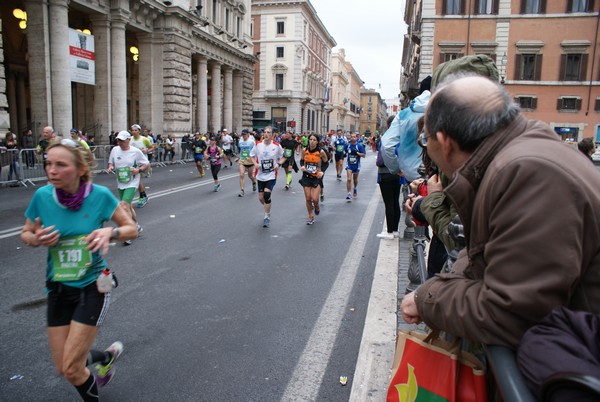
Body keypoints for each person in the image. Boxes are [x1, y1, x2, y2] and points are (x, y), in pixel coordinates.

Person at [400, 74, 600, 350]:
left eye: (426, 139)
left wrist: (430, 299)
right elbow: (483, 252)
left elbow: (513, 312)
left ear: (445, 142)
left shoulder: (528, 174)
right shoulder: (521, 153)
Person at [20, 137, 137, 401]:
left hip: (95, 285)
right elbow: (26, 233)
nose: (51, 170)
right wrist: (36, 239)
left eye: (61, 165)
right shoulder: (42, 196)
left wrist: (110, 231)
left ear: (81, 168)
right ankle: (106, 357)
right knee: (65, 367)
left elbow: (131, 229)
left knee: (73, 369)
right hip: (58, 288)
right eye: (48, 164)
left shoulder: (99, 196)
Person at [107, 131, 149, 245]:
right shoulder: (115, 150)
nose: (119, 142)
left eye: (121, 140)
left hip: (132, 181)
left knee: (124, 205)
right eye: (118, 140)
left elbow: (146, 164)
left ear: (128, 140)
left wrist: (138, 170)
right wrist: (110, 167)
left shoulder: (135, 151)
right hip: (121, 181)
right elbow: (111, 163)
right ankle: (136, 226)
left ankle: (128, 233)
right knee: (128, 207)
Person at [249, 126, 284, 228]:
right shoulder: (258, 145)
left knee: (267, 195)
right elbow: (251, 156)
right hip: (260, 175)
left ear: (272, 135)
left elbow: (284, 157)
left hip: (271, 175)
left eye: (269, 132)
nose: (266, 134)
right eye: (265, 132)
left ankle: (266, 216)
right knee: (261, 198)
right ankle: (267, 207)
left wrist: (279, 164)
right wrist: (255, 164)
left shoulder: (277, 146)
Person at [376, 116, 401, 239]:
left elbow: (380, 160)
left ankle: (390, 231)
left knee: (389, 203)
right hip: (397, 173)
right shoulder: (400, 138)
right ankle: (395, 230)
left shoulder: (386, 138)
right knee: (395, 201)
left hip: (385, 173)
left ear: (387, 125)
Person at [299, 134, 328, 225]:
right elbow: (301, 160)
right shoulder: (305, 150)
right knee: (308, 198)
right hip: (306, 176)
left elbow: (326, 163)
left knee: (315, 199)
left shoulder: (321, 152)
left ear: (317, 141)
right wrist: (302, 166)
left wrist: (322, 172)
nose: (312, 141)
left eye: (314, 140)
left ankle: (316, 206)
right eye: (310, 139)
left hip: (316, 177)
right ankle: (310, 216)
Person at [129, 124, 153, 207]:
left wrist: (147, 150)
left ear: (139, 131)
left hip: (142, 163)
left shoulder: (144, 139)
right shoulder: (129, 139)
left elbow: (153, 147)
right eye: (132, 130)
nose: (134, 132)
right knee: (137, 181)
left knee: (137, 180)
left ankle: (142, 197)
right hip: (132, 163)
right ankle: (144, 196)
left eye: (136, 130)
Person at [344, 132, 366, 201]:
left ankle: (355, 188)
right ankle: (349, 194)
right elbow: (344, 152)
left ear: (356, 138)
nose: (352, 138)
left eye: (354, 137)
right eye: (351, 137)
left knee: (355, 179)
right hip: (349, 164)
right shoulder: (347, 145)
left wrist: (357, 153)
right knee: (349, 179)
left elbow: (364, 155)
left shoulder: (359, 146)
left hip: (356, 165)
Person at [236, 129, 257, 197]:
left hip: (250, 161)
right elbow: (241, 151)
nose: (243, 136)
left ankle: (254, 182)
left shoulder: (252, 142)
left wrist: (251, 157)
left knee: (250, 176)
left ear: (248, 134)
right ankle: (242, 190)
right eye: (242, 135)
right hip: (242, 160)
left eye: (244, 134)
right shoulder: (240, 141)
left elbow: (255, 151)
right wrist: (238, 157)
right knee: (241, 175)